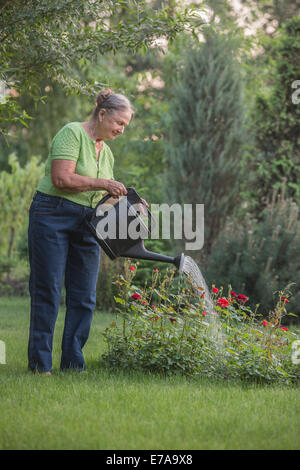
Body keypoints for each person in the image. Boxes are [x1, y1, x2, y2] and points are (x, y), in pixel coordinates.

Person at [27, 89, 134, 375]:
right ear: (102, 114)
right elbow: (61, 178)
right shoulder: (72, 133)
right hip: (52, 215)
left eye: (125, 125)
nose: (121, 130)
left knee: (84, 296)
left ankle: (73, 364)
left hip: (87, 222)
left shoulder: (106, 151)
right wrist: (103, 183)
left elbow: (104, 196)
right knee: (47, 290)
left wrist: (131, 201)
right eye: (119, 123)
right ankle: (40, 365)